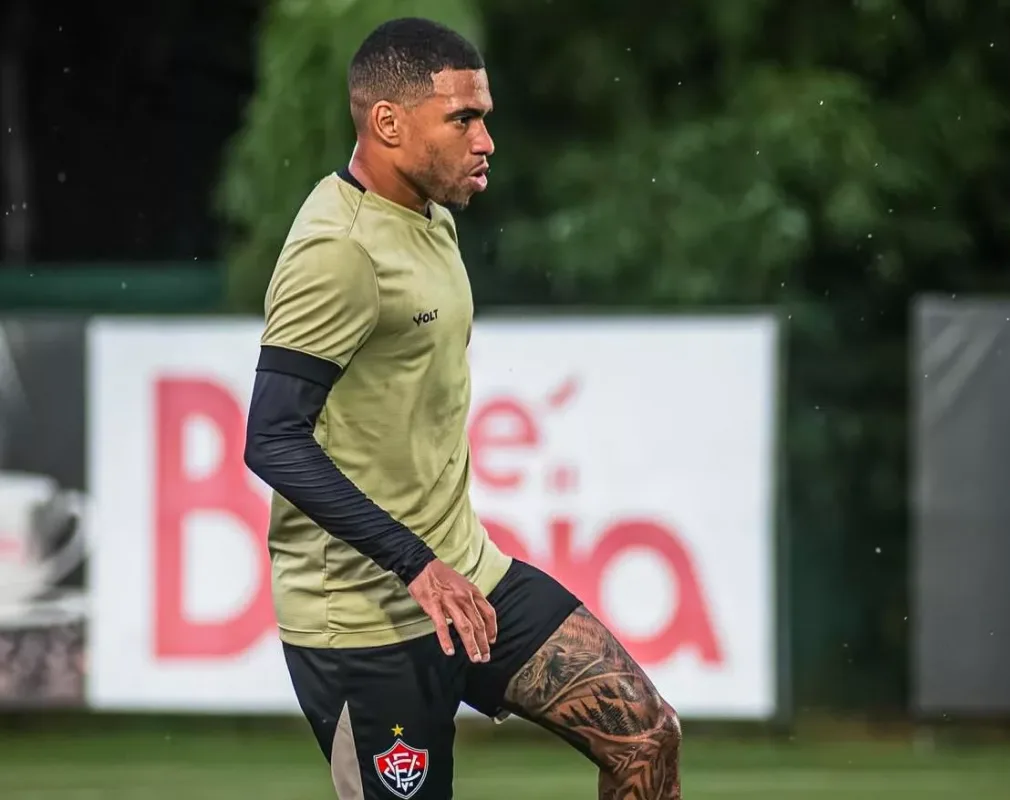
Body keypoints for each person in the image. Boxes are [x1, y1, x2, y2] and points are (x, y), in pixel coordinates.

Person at [243, 16, 681, 800]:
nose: (485, 142)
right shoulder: (338, 251)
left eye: (484, 118)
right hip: (365, 624)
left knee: (645, 737)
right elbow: (271, 438)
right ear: (388, 123)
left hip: (471, 579)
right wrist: (415, 563)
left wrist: (439, 563)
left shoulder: (431, 218)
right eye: (462, 119)